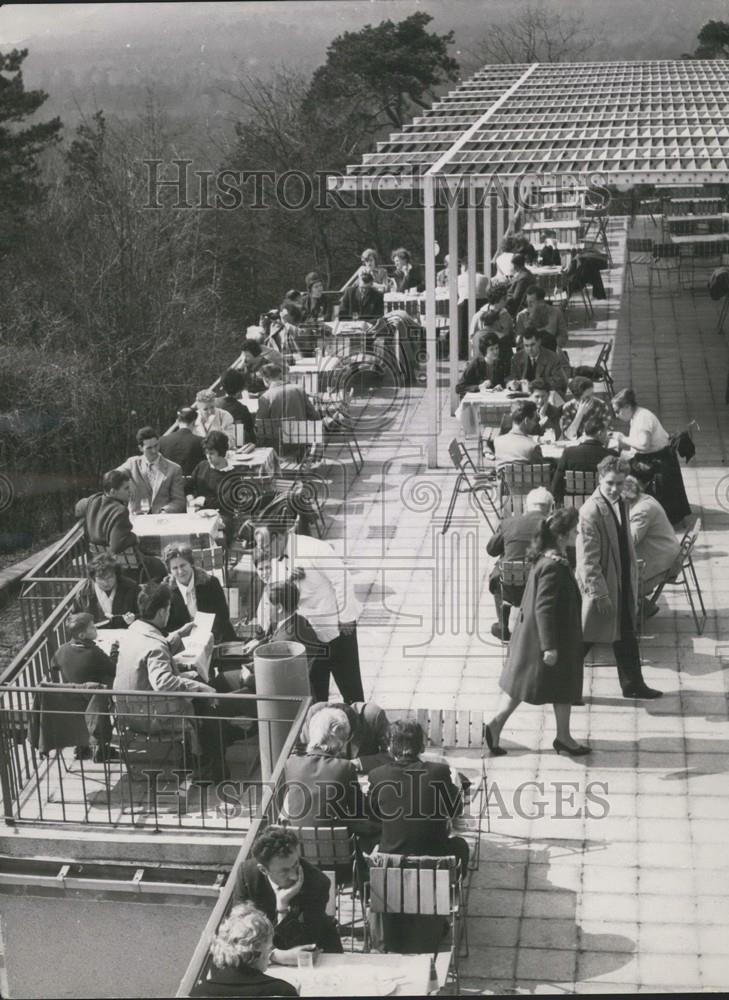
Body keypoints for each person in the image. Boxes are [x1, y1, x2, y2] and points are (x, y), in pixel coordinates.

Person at [484, 508, 587, 756]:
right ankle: (498, 725)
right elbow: (544, 608)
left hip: (538, 637)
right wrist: (549, 646)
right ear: (562, 536)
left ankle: (563, 736)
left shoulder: (547, 557)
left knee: (545, 687)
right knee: (542, 686)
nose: (577, 532)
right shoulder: (553, 566)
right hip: (550, 640)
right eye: (574, 529)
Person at [112, 582, 225, 780]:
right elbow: (163, 682)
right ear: (163, 611)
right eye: (169, 609)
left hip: (127, 710)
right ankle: (204, 762)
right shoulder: (155, 645)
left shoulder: (134, 631)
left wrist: (178, 635)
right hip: (151, 716)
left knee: (195, 684)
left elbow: (150, 652)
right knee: (206, 704)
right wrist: (202, 688)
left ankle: (199, 756)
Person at [577, 455, 663, 700]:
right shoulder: (590, 512)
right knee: (586, 639)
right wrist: (600, 594)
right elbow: (588, 562)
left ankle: (633, 685)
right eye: (610, 483)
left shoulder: (621, 501)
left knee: (625, 634)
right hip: (603, 585)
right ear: (600, 479)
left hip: (622, 580)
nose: (615, 489)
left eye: (620, 483)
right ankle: (560, 685)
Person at [260, 522, 363, 703]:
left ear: (278, 537)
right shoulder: (276, 561)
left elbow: (342, 580)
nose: (264, 551)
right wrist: (289, 578)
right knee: (316, 696)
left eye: (265, 546)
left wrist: (347, 619)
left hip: (337, 631)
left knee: (352, 692)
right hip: (308, 637)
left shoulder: (314, 548)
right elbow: (277, 594)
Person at [369, 719, 468, 874]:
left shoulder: (377, 775)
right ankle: (450, 889)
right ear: (421, 747)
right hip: (435, 863)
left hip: (392, 862)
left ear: (390, 748)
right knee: (461, 845)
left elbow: (372, 815)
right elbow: (456, 810)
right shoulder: (440, 772)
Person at [232, 825, 343, 959]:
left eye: (296, 864)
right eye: (284, 871)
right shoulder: (247, 875)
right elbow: (240, 932)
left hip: (321, 954)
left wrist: (282, 908)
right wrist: (274, 956)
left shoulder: (318, 883)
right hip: (264, 959)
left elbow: (302, 947)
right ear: (263, 870)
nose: (294, 876)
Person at [281, 708, 376, 847]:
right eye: (346, 736)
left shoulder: (290, 764)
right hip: (335, 849)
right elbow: (358, 811)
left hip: (299, 848)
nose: (346, 742)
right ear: (337, 732)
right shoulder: (344, 767)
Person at [611, 387, 691, 526]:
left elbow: (644, 445)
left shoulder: (642, 419)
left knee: (620, 470)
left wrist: (623, 439)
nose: (616, 415)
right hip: (658, 456)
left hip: (658, 461)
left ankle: (633, 509)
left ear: (628, 406)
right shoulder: (637, 414)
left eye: (617, 411)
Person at [486, 487, 554, 640]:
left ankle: (503, 624)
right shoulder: (552, 526)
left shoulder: (508, 523)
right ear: (550, 508)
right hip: (540, 586)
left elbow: (491, 550)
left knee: (498, 572)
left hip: (510, 588)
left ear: (527, 505)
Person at [49, 611, 118, 763]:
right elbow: (113, 669)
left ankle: (81, 745)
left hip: (72, 702)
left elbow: (53, 666)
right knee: (106, 686)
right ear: (82, 635)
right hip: (94, 704)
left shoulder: (61, 650)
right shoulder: (94, 653)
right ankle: (102, 747)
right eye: (93, 628)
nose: (96, 630)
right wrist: (114, 651)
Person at [74, 470, 166, 581]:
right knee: (160, 566)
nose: (130, 491)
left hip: (99, 559)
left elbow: (77, 508)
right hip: (123, 565)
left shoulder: (92, 500)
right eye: (126, 488)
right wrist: (133, 538)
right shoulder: (120, 511)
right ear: (113, 491)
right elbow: (116, 546)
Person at [192, 903, 298, 998]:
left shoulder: (199, 993)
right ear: (258, 947)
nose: (269, 953)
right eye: (269, 948)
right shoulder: (282, 991)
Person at [623, 464, 681, 607]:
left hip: (661, 563)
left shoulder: (642, 510)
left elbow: (630, 541)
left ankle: (630, 617)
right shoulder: (644, 499)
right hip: (662, 553)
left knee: (616, 585)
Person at [268, 580, 329, 702]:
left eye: (267, 604)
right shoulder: (301, 621)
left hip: (283, 698)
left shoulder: (285, 640)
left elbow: (270, 676)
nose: (266, 607)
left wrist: (246, 676)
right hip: (305, 689)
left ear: (279, 607)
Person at [163, 543, 237, 643]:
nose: (180, 571)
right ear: (169, 570)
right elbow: (169, 625)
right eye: (175, 568)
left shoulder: (211, 583)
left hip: (218, 638)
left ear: (191, 563)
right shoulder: (166, 592)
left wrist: (208, 638)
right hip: (184, 644)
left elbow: (222, 615)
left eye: (183, 565)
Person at [117, 426, 186, 515]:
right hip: (137, 519)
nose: (154, 451)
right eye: (149, 448)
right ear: (140, 448)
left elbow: (179, 501)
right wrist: (127, 485)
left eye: (156, 445)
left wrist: (164, 511)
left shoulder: (174, 469)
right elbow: (114, 477)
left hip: (162, 521)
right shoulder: (132, 463)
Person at [550, 415, 617, 504]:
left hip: (573, 503)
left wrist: (560, 503)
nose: (607, 435)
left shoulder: (569, 453)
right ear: (600, 433)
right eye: (606, 432)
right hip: (600, 503)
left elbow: (557, 483)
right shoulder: (610, 455)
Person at [255, 364, 319, 449]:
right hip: (301, 443)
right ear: (280, 376)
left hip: (278, 446)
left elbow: (261, 426)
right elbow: (314, 416)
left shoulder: (265, 397)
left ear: (266, 379)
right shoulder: (298, 389)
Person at [74, 552, 139, 629]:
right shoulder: (83, 592)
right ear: (93, 578)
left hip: (126, 633)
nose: (106, 583)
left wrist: (134, 618)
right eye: (101, 578)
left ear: (116, 575)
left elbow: (145, 615)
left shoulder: (131, 587)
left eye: (110, 577)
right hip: (95, 635)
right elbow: (75, 619)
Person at [509, 329, 568, 394]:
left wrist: (536, 384)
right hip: (522, 396)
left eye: (532, 345)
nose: (530, 349)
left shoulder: (552, 357)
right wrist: (512, 384)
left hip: (545, 396)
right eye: (526, 345)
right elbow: (512, 377)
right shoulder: (517, 358)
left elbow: (559, 381)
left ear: (539, 342)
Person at [189, 430, 235, 510]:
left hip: (221, 513)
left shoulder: (231, 475)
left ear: (222, 452)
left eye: (211, 453)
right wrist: (190, 498)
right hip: (198, 511)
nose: (208, 457)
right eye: (206, 453)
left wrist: (204, 501)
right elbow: (189, 487)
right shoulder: (202, 466)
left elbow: (227, 502)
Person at [493, 400, 544, 469]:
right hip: (527, 479)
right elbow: (540, 472)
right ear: (527, 420)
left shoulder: (497, 441)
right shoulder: (533, 447)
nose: (536, 424)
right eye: (535, 420)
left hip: (503, 479)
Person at [455, 332, 508, 397]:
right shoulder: (475, 364)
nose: (495, 351)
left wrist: (500, 386)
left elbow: (503, 382)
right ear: (484, 350)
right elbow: (459, 388)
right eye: (491, 349)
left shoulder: (500, 364)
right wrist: (479, 387)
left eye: (497, 348)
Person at [560, 376, 613, 441]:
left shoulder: (601, 405)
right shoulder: (568, 407)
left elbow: (605, 433)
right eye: (587, 397)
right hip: (575, 446)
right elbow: (569, 435)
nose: (591, 398)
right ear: (577, 398)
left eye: (592, 394)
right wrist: (580, 414)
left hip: (595, 445)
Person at [158, 407, 206, 478]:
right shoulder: (201, 442)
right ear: (194, 422)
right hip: (192, 485)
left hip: (169, 484)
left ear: (177, 421)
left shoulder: (162, 441)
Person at [216, 369, 256, 445]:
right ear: (240, 389)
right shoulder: (242, 409)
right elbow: (251, 438)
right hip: (236, 445)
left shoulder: (212, 405)